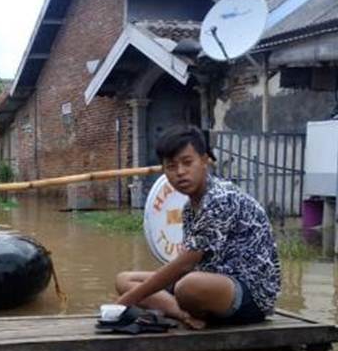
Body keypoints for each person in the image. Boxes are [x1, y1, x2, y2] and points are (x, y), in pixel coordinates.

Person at [115, 125, 280, 329]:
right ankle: (184, 315)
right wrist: (131, 296)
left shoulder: (220, 198)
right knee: (124, 280)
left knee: (188, 286)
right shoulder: (189, 207)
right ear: (164, 171)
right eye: (171, 166)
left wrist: (122, 304)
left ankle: (185, 308)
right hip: (209, 279)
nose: (180, 172)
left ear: (204, 161)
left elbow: (185, 264)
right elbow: (188, 265)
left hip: (250, 295)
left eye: (187, 162)